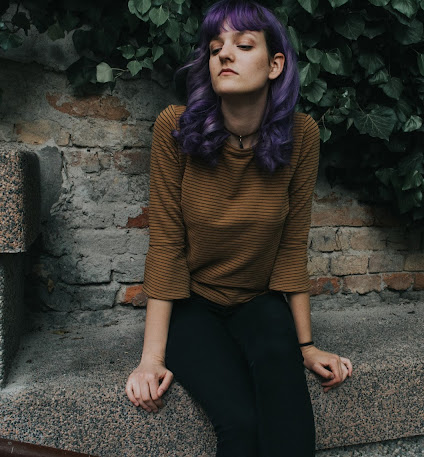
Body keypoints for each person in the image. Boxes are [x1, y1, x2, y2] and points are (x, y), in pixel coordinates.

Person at [125, 1, 353, 456]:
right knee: (241, 424)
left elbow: (292, 245)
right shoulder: (175, 129)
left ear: (274, 65)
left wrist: (306, 346)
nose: (224, 55)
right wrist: (150, 360)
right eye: (215, 48)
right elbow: (166, 243)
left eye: (242, 44)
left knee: (287, 413)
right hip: (192, 303)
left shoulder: (302, 135)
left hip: (257, 300)